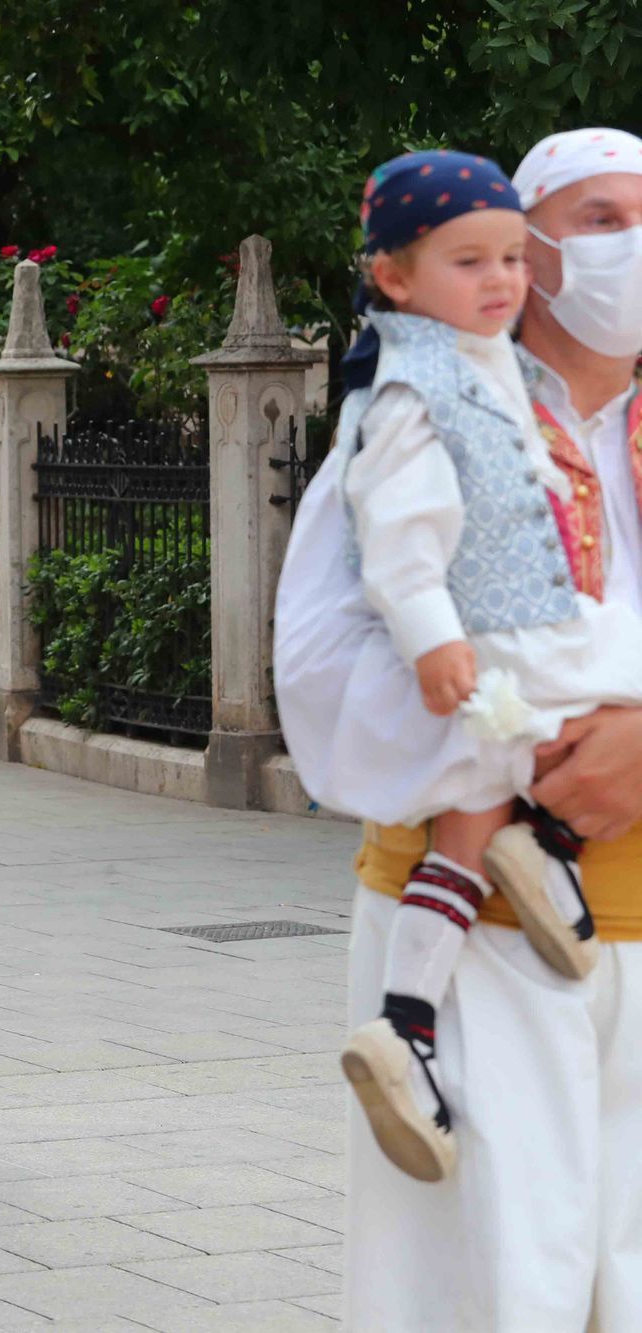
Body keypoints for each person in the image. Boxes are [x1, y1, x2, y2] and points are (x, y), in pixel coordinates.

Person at [276, 128, 642, 1330]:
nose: (629, 246)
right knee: (486, 1296)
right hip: (488, 928)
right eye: (599, 218)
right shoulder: (419, 419)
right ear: (523, 252)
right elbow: (328, 674)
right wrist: (529, 736)